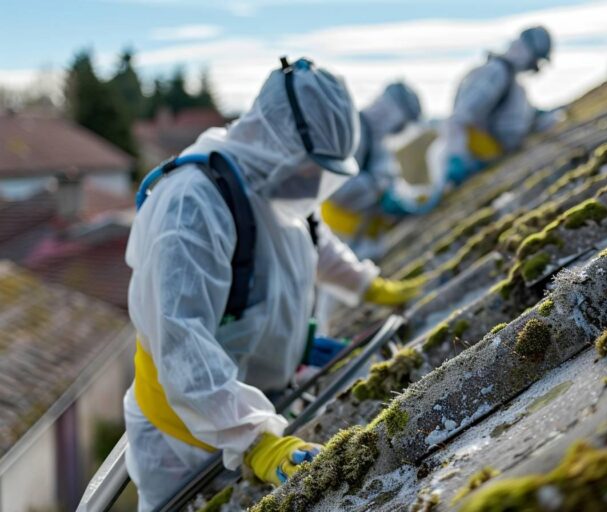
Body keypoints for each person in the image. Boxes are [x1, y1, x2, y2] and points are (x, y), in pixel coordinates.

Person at [123, 57, 421, 510]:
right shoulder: (191, 206)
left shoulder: (277, 180)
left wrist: (370, 286)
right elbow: (179, 339)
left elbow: (312, 241)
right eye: (310, 169)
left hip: (257, 399)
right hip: (182, 439)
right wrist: (254, 440)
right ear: (277, 143)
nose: (313, 183)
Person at [428, 26, 561, 187]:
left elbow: (515, 117)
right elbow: (459, 120)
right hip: (476, 160)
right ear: (524, 49)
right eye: (535, 60)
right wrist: (456, 160)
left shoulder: (510, 79)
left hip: (491, 156)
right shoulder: (495, 72)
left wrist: (539, 117)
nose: (534, 66)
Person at [321, 81, 438, 257]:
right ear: (394, 112)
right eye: (403, 123)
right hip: (339, 239)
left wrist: (406, 198)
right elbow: (336, 188)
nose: (401, 130)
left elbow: (385, 178)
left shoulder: (376, 140)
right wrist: (379, 192)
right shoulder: (351, 133)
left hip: (361, 242)